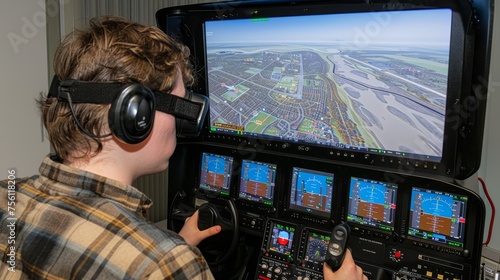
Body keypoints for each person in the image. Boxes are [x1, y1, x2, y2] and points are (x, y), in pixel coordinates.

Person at [0, 15, 366, 280]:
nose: (184, 122)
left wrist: (177, 243)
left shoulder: (7, 196)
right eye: (180, 105)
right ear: (136, 115)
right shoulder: (166, 265)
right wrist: (171, 254)